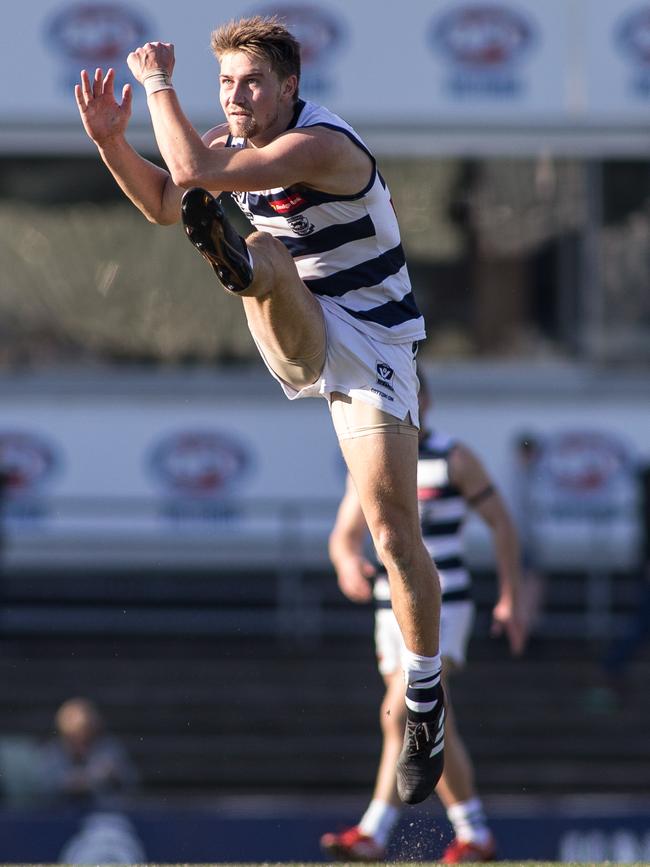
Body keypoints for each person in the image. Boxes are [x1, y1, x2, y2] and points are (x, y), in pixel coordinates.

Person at [75, 16, 445, 803]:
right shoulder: (229, 146)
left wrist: (157, 85)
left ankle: (425, 697)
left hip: (379, 340)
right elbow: (161, 200)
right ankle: (239, 263)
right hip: (303, 317)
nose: (236, 97)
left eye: (249, 84)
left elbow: (196, 167)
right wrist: (112, 141)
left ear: (288, 89)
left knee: (393, 536)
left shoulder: (319, 145)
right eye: (225, 84)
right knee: (266, 256)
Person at [321, 373, 526, 863]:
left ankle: (377, 829)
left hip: (445, 603)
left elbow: (502, 524)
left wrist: (510, 596)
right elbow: (343, 536)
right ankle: (473, 832)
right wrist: (348, 563)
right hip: (385, 608)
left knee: (404, 711)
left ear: (423, 401)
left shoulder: (454, 457)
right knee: (422, 719)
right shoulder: (368, 458)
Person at [39, 697, 139, 808]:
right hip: (58, 814)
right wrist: (86, 780)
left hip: (103, 812)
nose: (81, 737)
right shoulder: (52, 752)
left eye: (86, 730)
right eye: (75, 733)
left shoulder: (109, 748)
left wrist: (112, 776)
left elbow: (130, 781)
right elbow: (45, 785)